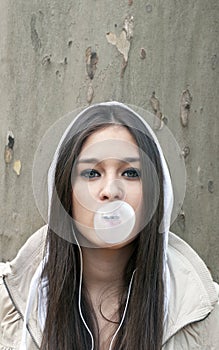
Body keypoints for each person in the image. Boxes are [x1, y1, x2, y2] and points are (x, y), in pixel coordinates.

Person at [0, 101, 218, 350]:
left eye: (131, 173)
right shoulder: (7, 304)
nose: (111, 191)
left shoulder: (207, 317)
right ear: (65, 192)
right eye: (92, 173)